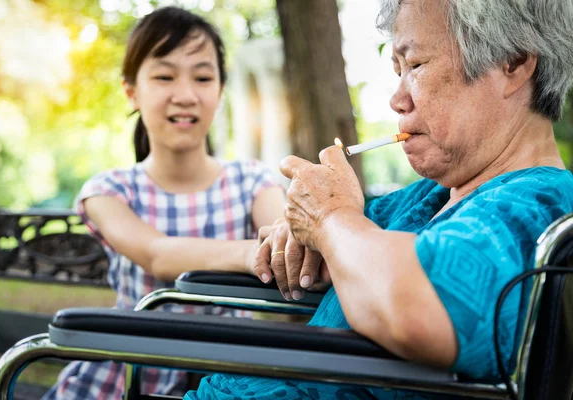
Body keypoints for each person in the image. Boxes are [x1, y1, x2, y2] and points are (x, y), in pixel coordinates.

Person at [186, 0, 573, 399]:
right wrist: (304, 232)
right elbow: (344, 245)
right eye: (397, 71)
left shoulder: (535, 205)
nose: (397, 99)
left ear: (512, 63)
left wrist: (330, 217)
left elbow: (414, 310)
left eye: (416, 65)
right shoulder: (429, 197)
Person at [42, 6, 286, 400]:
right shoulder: (108, 191)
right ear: (131, 91)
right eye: (164, 76)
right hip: (120, 379)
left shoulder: (253, 181)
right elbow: (156, 254)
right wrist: (252, 253)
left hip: (222, 382)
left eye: (203, 77)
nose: (186, 95)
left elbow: (282, 238)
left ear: (220, 91)